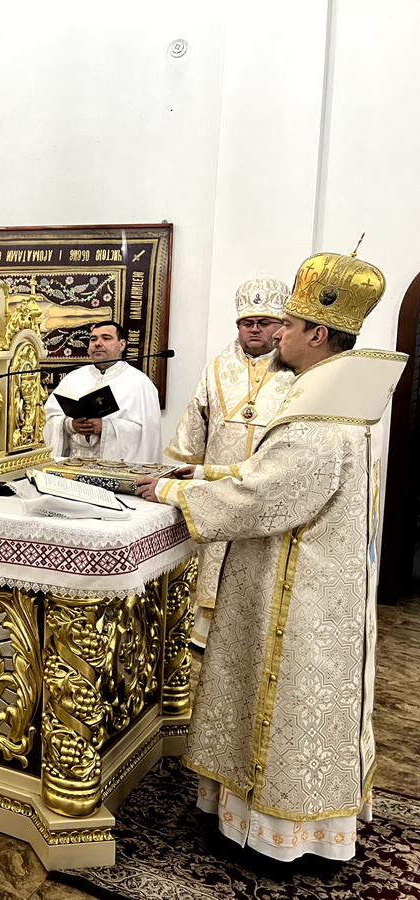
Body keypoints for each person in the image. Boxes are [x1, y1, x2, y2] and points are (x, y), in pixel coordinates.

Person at [133, 249, 407, 862]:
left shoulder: (317, 415)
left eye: (289, 325)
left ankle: (275, 836)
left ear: (317, 333)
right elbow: (275, 473)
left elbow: (266, 495)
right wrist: (206, 470)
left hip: (296, 588)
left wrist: (174, 492)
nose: (278, 334)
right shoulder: (341, 397)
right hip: (315, 577)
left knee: (281, 701)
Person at [165, 275, 295, 648]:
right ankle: (205, 631)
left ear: (280, 326)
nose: (254, 329)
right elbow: (196, 417)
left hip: (269, 485)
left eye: (264, 322)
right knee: (215, 555)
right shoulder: (217, 367)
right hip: (218, 482)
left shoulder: (296, 371)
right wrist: (186, 471)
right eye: (246, 322)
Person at [43, 320, 161, 461]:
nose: (98, 343)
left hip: (116, 467)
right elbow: (48, 419)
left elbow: (148, 435)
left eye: (106, 338)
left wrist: (106, 427)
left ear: (122, 345)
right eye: (93, 339)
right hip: (73, 464)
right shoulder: (73, 378)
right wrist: (69, 425)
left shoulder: (140, 383)